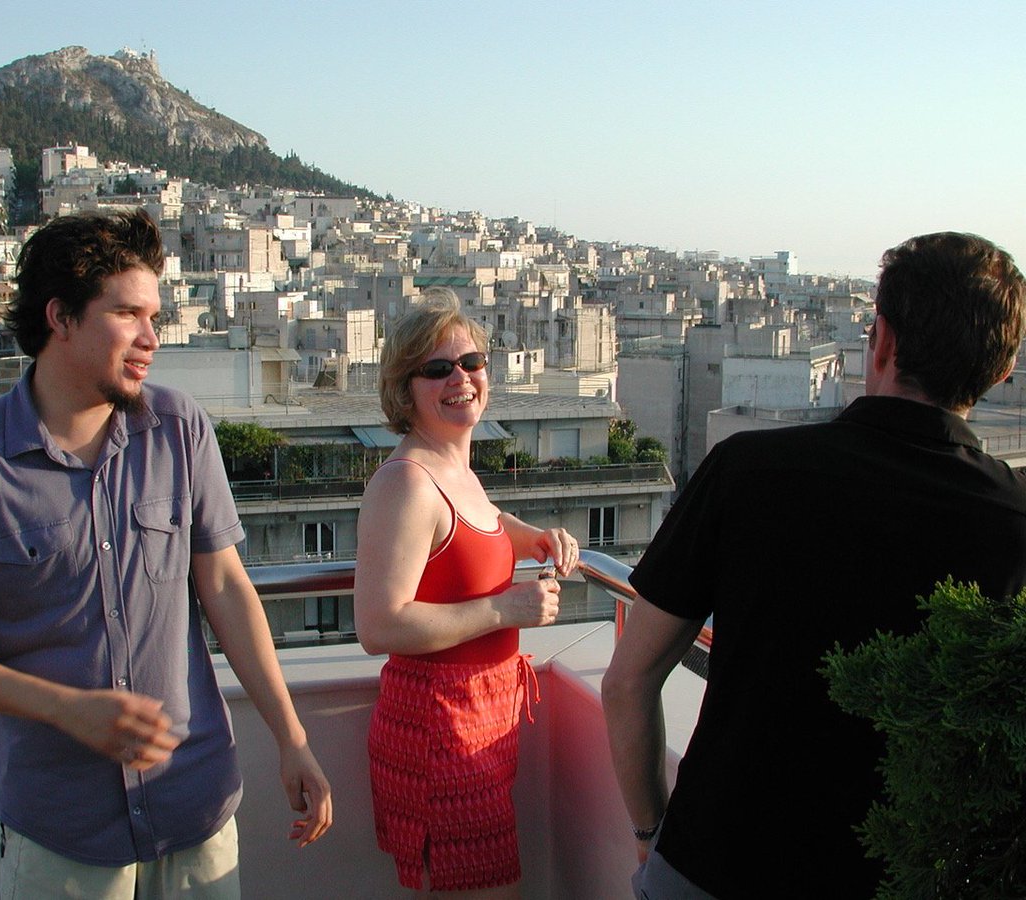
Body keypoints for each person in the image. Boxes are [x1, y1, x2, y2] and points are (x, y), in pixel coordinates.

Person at [0, 209, 331, 899]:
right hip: (64, 831)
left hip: (196, 806)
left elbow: (225, 587)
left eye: (154, 316)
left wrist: (291, 736)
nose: (151, 338)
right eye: (128, 314)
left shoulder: (178, 427)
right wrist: (67, 707)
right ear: (61, 317)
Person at [602, 232, 1026, 900]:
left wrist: (653, 833)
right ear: (1001, 369)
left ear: (880, 342)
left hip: (712, 860)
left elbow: (629, 680)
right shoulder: (1014, 522)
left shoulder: (749, 471)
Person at [354, 288, 579, 897]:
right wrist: (506, 608)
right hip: (439, 727)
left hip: (479, 718)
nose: (462, 378)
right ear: (406, 390)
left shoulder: (454, 467)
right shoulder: (405, 482)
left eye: (472, 362)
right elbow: (379, 626)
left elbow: (473, 522)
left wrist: (532, 537)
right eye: (438, 368)